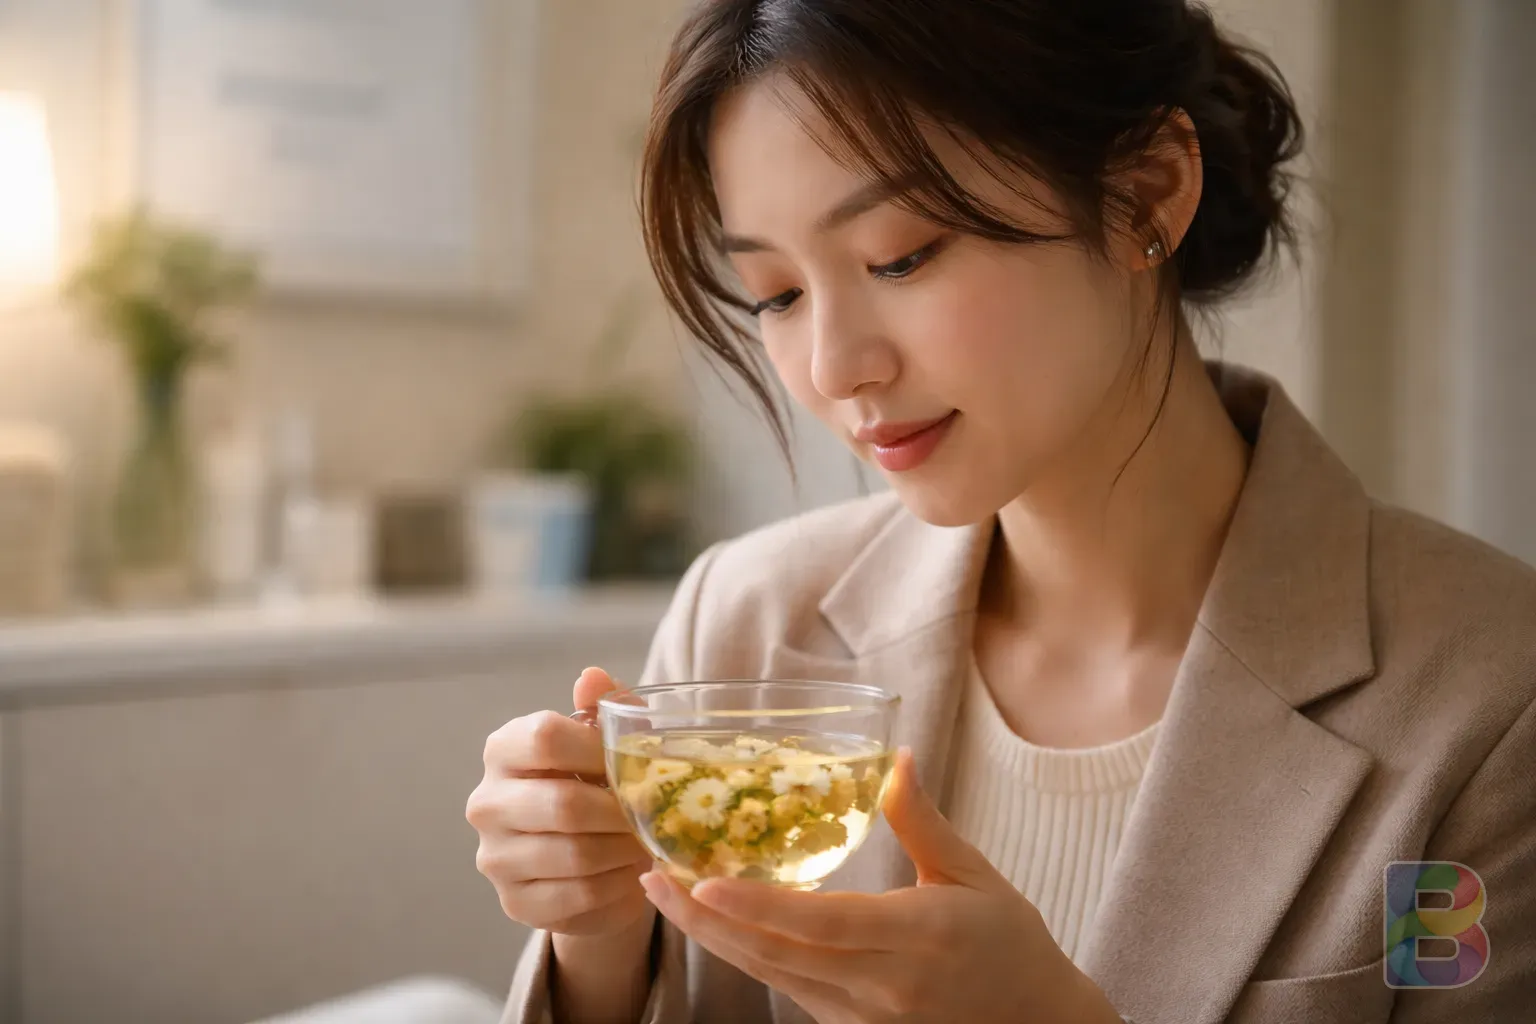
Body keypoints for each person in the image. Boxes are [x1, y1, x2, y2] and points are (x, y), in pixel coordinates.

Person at [466, 1, 1536, 1021]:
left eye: (901, 256)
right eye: (779, 295)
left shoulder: (1488, 696)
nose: (836, 366)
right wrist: (598, 943)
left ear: (1146, 194)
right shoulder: (746, 623)